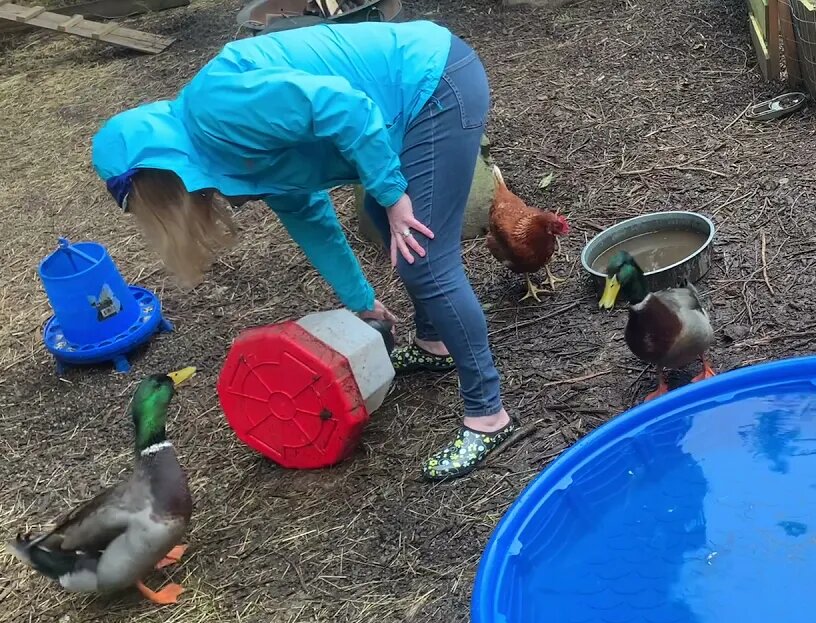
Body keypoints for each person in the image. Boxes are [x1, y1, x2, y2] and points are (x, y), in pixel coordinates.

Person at [91, 20, 517, 482]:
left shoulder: (217, 112)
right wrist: (361, 300)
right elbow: (309, 215)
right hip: (400, 100)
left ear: (163, 179)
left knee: (426, 261)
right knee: (383, 225)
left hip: (432, 83)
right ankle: (434, 343)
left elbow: (345, 107)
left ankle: (488, 416)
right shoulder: (225, 158)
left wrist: (393, 194)